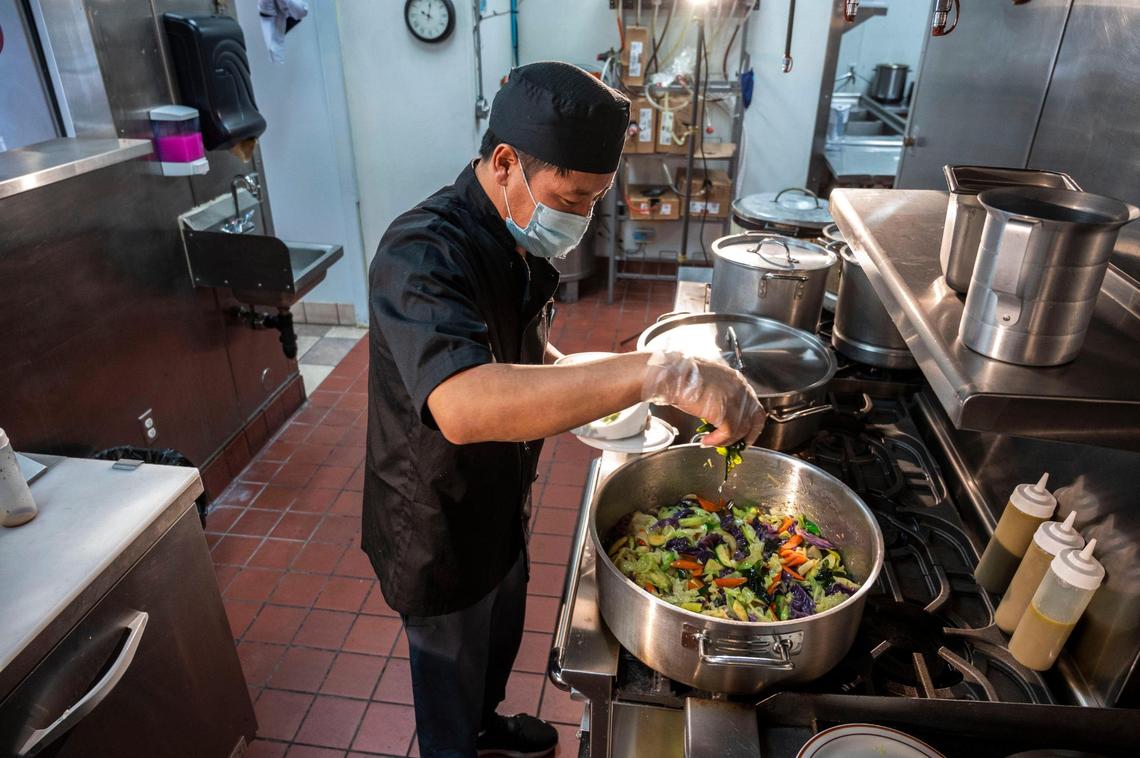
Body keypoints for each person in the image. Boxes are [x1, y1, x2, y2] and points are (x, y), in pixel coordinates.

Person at [364, 61, 766, 758]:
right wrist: (658, 371)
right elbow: (462, 403)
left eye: (595, 200)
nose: (580, 217)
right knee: (448, 672)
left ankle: (486, 725)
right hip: (437, 518)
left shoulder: (514, 239)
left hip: (500, 495)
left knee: (495, 644)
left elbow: (522, 356)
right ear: (504, 162)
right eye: (571, 197)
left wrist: (584, 378)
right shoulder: (420, 253)